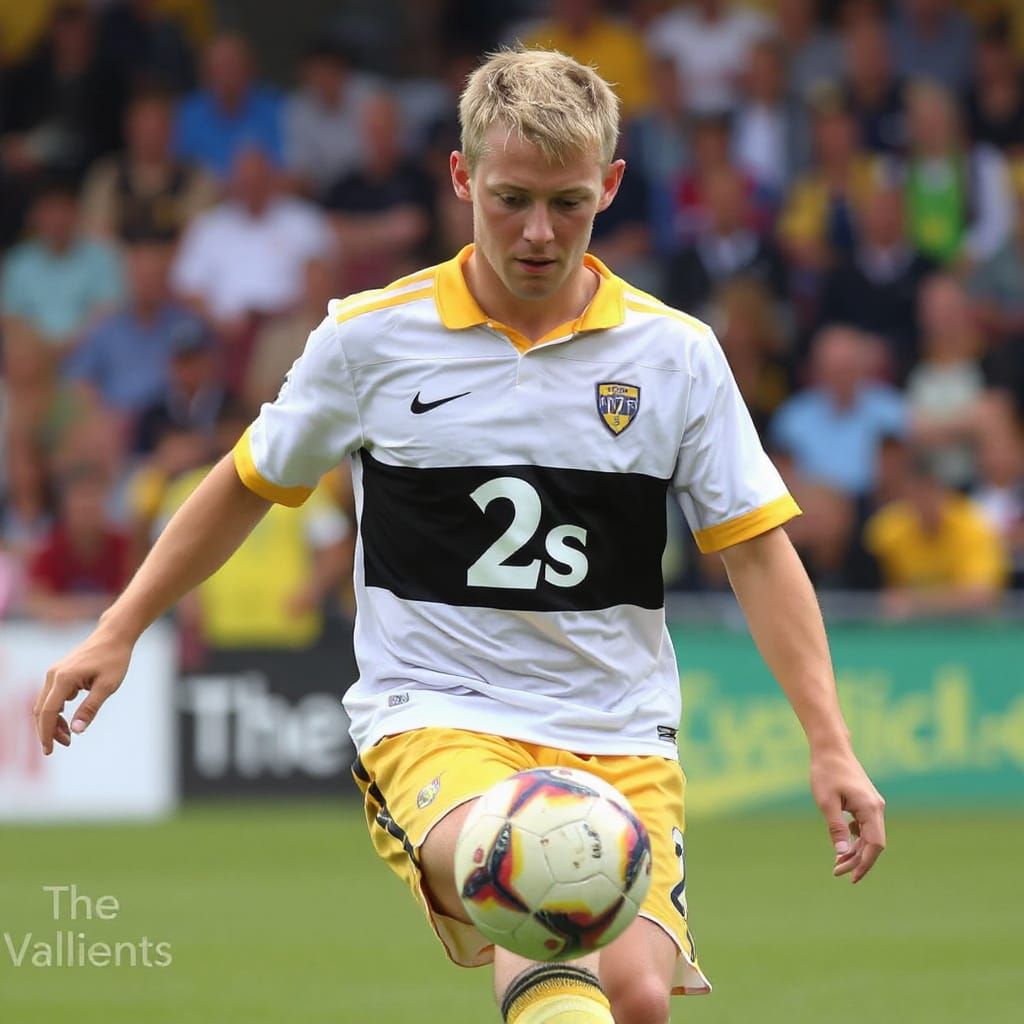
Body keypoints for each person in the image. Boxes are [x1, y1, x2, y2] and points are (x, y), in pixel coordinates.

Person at [34, 49, 886, 1024]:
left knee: (641, 997)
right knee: (531, 882)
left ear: (610, 184)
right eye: (510, 198)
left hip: (614, 725)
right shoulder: (370, 339)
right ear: (459, 177)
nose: (536, 232)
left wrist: (830, 743)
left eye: (567, 203)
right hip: (435, 712)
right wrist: (120, 625)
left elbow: (756, 550)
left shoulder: (674, 355)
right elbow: (244, 482)